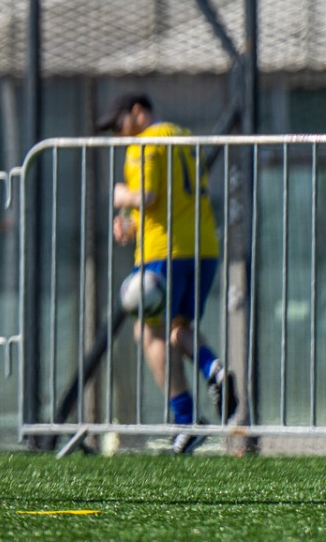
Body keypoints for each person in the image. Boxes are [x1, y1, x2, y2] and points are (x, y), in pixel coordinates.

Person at [99, 92, 239, 454]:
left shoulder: (145, 142)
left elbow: (146, 195)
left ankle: (186, 421)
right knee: (177, 327)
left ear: (138, 112)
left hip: (164, 251)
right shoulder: (183, 135)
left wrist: (120, 196)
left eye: (118, 124)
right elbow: (170, 199)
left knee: (147, 333)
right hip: (203, 247)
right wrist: (131, 225)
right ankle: (213, 369)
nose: (118, 134)